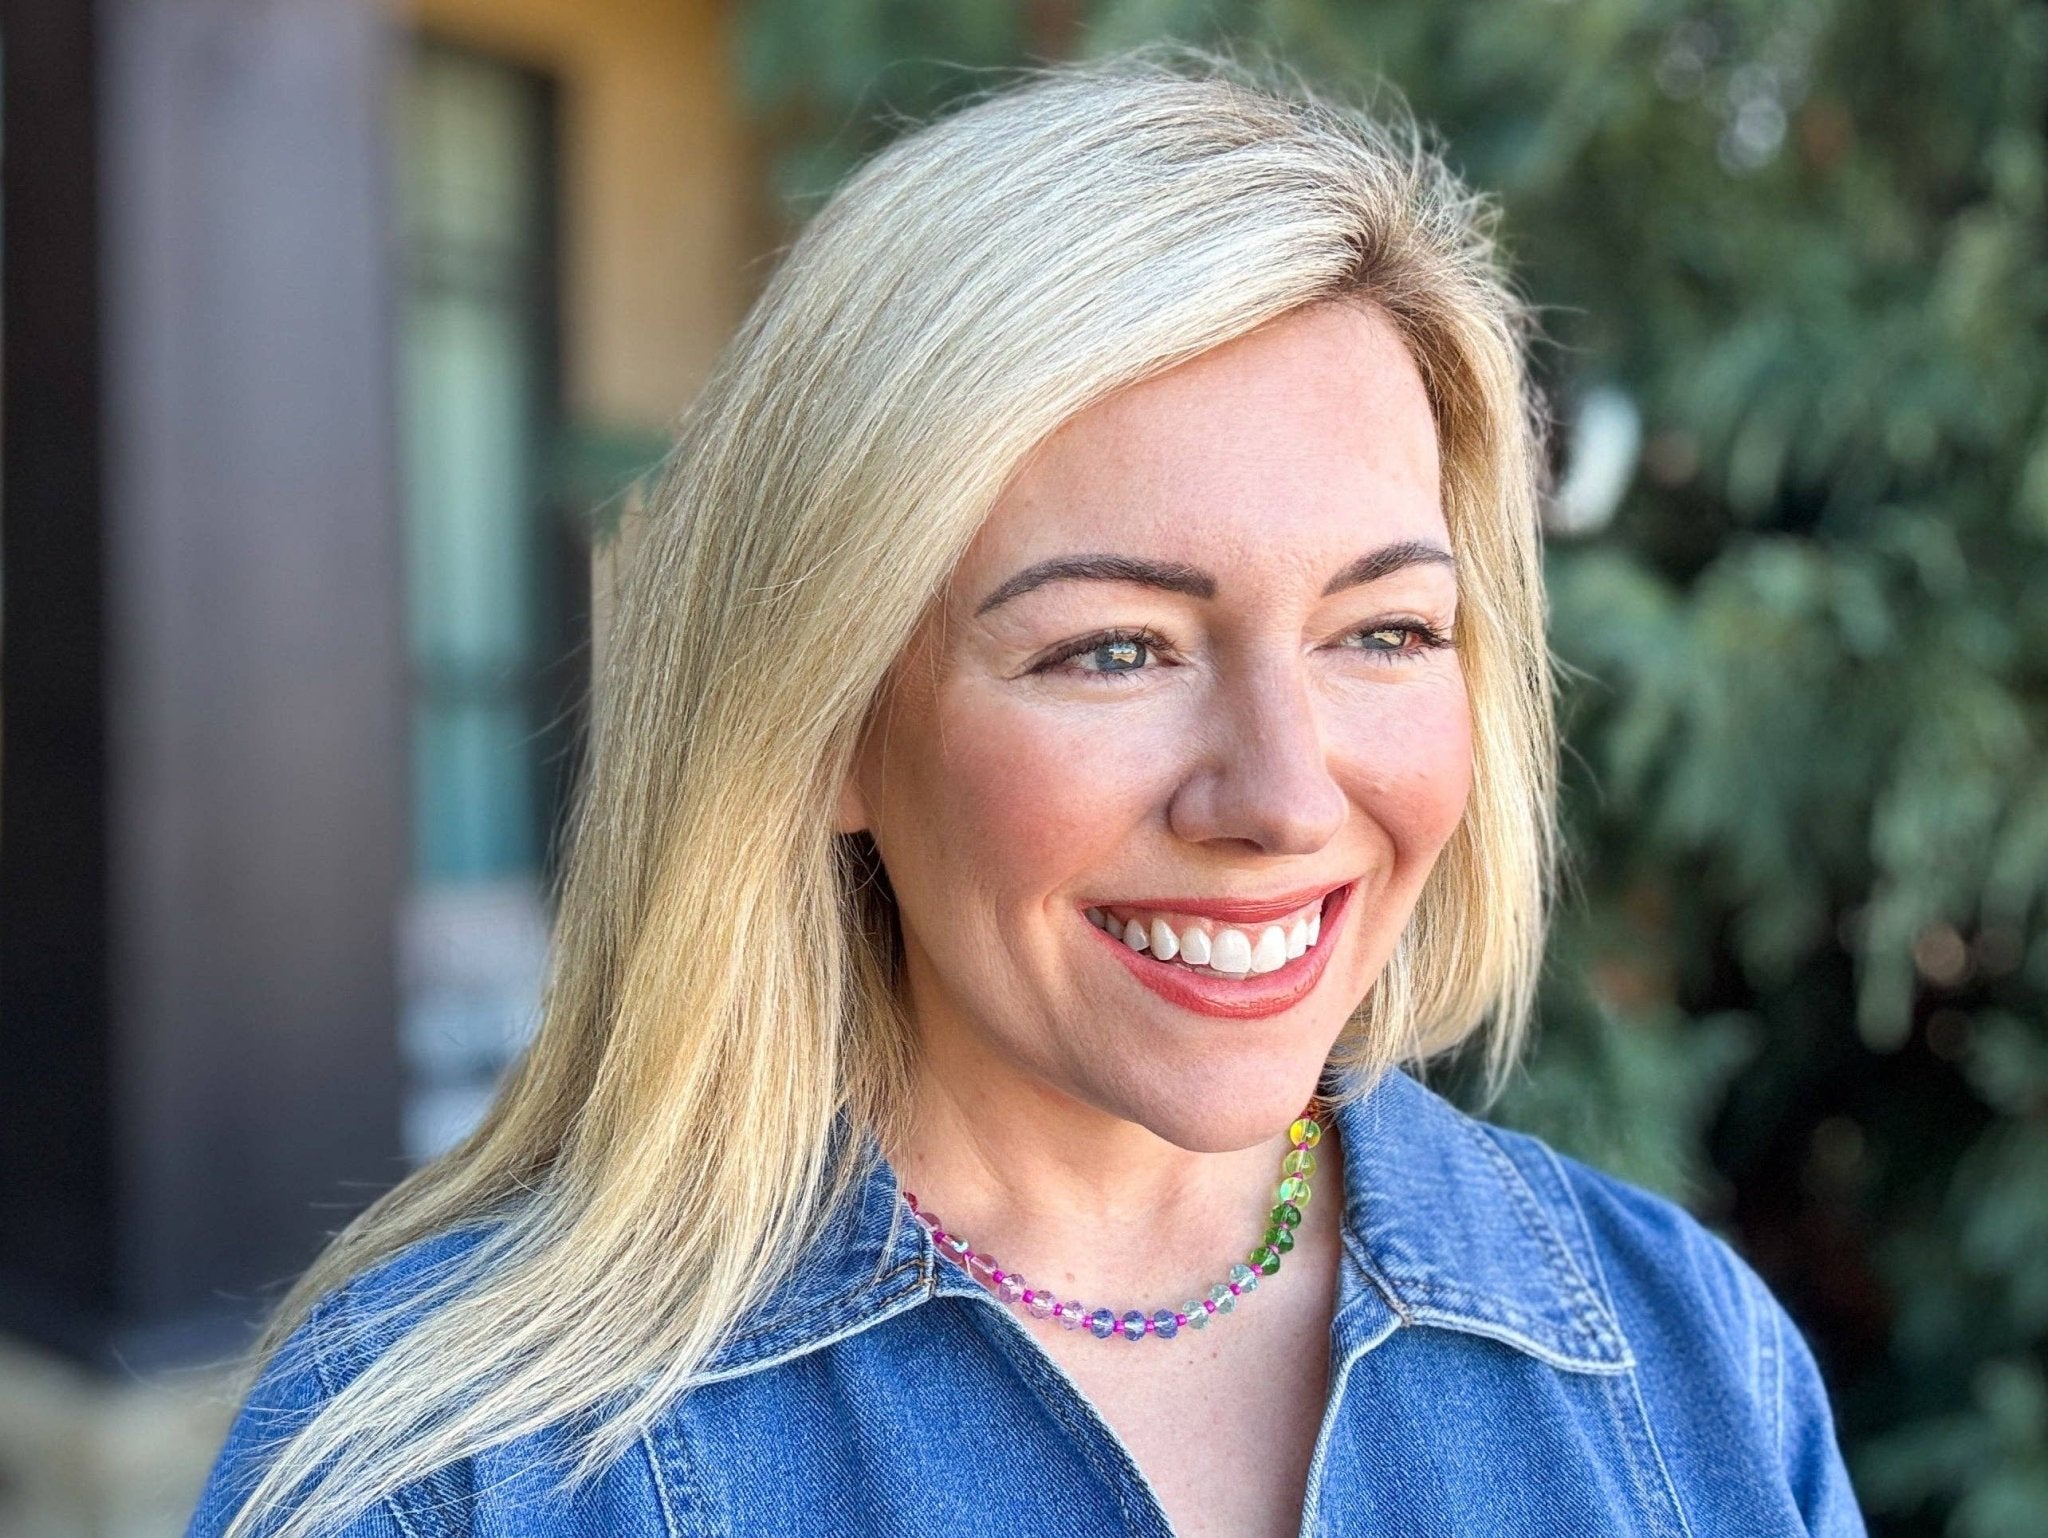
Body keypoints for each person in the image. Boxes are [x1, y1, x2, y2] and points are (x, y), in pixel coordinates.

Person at [189, 48, 1867, 1538]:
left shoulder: (1693, 1372)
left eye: (1385, 629)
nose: (1284, 796)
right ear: (828, 718)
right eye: (1115, 650)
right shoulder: (445, 1480)